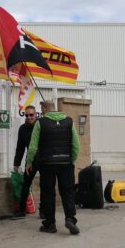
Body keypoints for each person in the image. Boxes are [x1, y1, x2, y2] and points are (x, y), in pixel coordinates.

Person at [25, 100, 80, 235]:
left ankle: (50, 224)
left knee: (48, 193)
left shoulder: (40, 123)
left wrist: (29, 162)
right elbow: (76, 144)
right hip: (66, 163)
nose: (40, 112)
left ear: (44, 108)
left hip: (47, 164)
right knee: (67, 192)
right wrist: (71, 159)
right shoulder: (69, 121)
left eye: (41, 108)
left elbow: (33, 146)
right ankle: (70, 219)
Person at [12, 105, 41, 219]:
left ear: (36, 114)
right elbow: (20, 148)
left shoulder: (41, 126)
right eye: (27, 115)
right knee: (25, 184)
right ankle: (21, 210)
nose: (29, 117)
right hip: (31, 161)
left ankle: (44, 210)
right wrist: (16, 163)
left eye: (31, 115)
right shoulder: (22, 129)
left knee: (46, 185)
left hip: (43, 160)